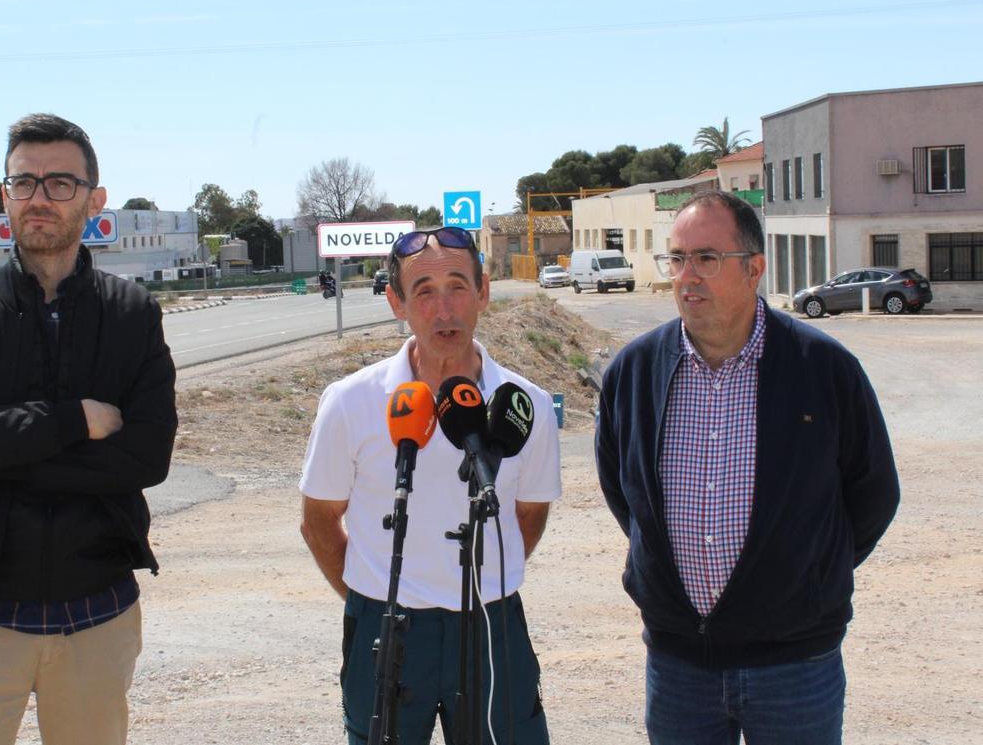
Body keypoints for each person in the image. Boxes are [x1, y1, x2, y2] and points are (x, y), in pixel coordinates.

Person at [0, 113, 178, 745]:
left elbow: (145, 459)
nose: (39, 198)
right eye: (24, 182)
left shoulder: (133, 315)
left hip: (96, 616)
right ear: (5, 196)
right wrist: (73, 422)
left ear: (94, 198)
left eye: (60, 182)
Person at [594, 190, 900, 744]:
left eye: (707, 259)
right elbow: (624, 490)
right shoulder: (634, 372)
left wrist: (809, 573)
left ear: (754, 268)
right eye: (678, 258)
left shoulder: (822, 368)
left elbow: (873, 492)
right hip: (679, 666)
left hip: (795, 666)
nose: (687, 276)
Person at [299, 226, 561, 744]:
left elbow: (528, 516)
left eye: (458, 286)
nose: (445, 310)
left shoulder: (522, 405)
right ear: (396, 302)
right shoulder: (351, 402)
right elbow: (318, 521)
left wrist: (480, 582)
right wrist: (368, 598)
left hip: (492, 625)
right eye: (424, 291)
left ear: (484, 292)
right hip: (387, 627)